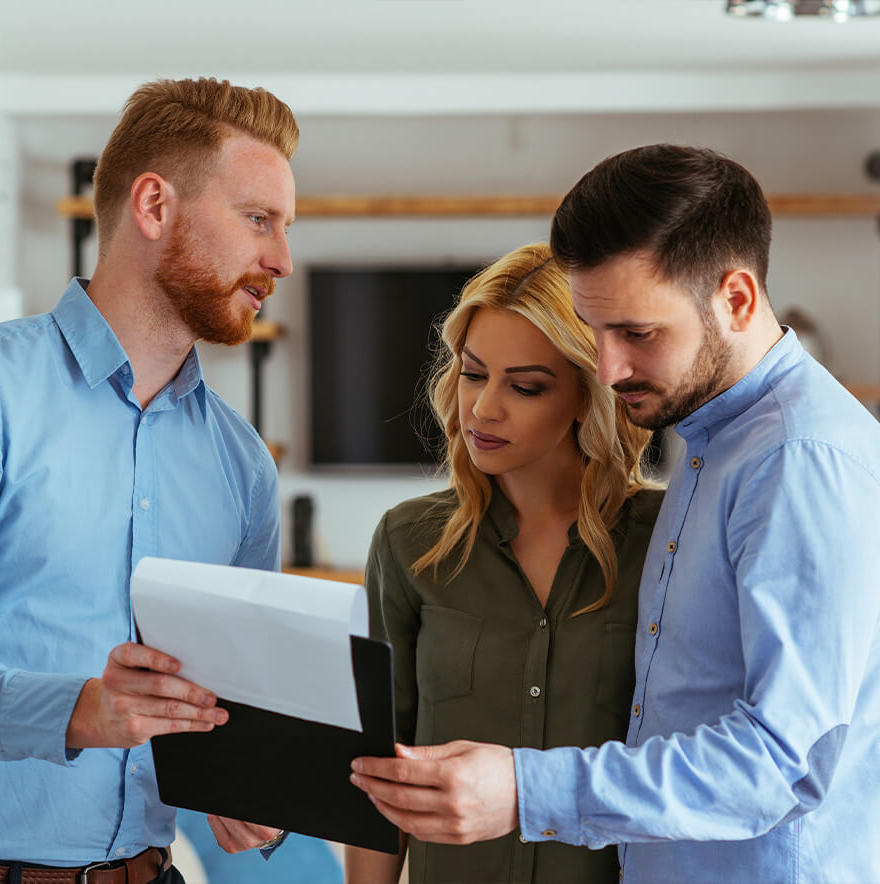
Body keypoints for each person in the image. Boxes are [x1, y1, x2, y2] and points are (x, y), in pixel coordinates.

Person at [350, 145, 880, 884]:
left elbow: (785, 762)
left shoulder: (798, 460)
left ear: (736, 299)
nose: (607, 370)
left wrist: (523, 789)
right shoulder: (712, 444)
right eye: (596, 332)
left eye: (637, 333)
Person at [0, 78, 297, 880]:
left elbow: (237, 706)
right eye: (258, 219)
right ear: (153, 207)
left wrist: (250, 784)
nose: (281, 261)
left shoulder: (243, 466)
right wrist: (74, 711)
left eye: (285, 228)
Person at [345, 243, 662, 884]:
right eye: (472, 372)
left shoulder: (665, 539)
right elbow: (378, 767)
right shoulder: (409, 543)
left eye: (524, 386)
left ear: (587, 391)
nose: (483, 408)